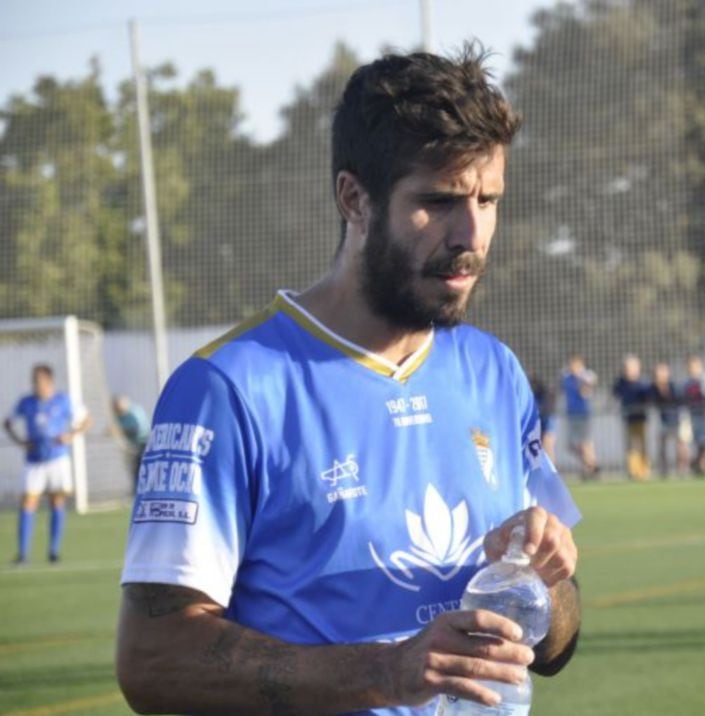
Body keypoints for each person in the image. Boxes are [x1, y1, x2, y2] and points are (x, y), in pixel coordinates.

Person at [116, 46, 582, 716]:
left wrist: (546, 577)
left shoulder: (493, 372)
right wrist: (386, 671)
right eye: (440, 201)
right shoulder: (228, 388)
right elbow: (153, 659)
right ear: (354, 197)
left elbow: (556, 642)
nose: (472, 233)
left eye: (489, 200)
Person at [4, 364, 90, 564]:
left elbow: (86, 420)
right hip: (34, 461)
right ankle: (23, 554)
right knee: (28, 503)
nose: (36, 384)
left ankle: (53, 552)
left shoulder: (63, 400)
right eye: (34, 380)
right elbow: (7, 422)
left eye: (39, 380)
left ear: (49, 381)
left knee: (56, 502)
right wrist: (20, 441)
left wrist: (70, 435)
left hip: (57, 459)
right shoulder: (26, 402)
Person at [611, 354, 651, 480]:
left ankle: (644, 470)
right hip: (628, 419)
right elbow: (614, 394)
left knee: (642, 445)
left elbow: (648, 397)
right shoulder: (621, 383)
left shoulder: (643, 383)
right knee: (631, 446)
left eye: (633, 368)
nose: (630, 371)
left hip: (641, 418)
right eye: (628, 368)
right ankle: (633, 471)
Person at [560, 354, 599, 478]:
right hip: (572, 415)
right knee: (571, 445)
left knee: (585, 443)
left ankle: (589, 470)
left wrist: (584, 382)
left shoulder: (585, 378)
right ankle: (592, 465)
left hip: (583, 415)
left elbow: (585, 393)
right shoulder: (567, 378)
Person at [649, 361, 687, 477]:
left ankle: (682, 470)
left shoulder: (673, 386)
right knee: (662, 446)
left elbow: (679, 399)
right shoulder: (653, 388)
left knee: (681, 446)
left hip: (677, 419)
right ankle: (664, 472)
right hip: (662, 421)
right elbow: (651, 400)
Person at [111, 395, 150, 489]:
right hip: (135, 445)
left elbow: (136, 430)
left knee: (141, 468)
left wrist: (120, 431)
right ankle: (137, 490)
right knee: (135, 470)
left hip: (144, 443)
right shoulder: (120, 415)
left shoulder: (134, 412)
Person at [529, 373, 557, 460]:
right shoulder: (533, 395)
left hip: (547, 418)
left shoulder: (544, 394)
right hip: (540, 420)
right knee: (542, 446)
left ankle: (552, 469)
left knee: (548, 445)